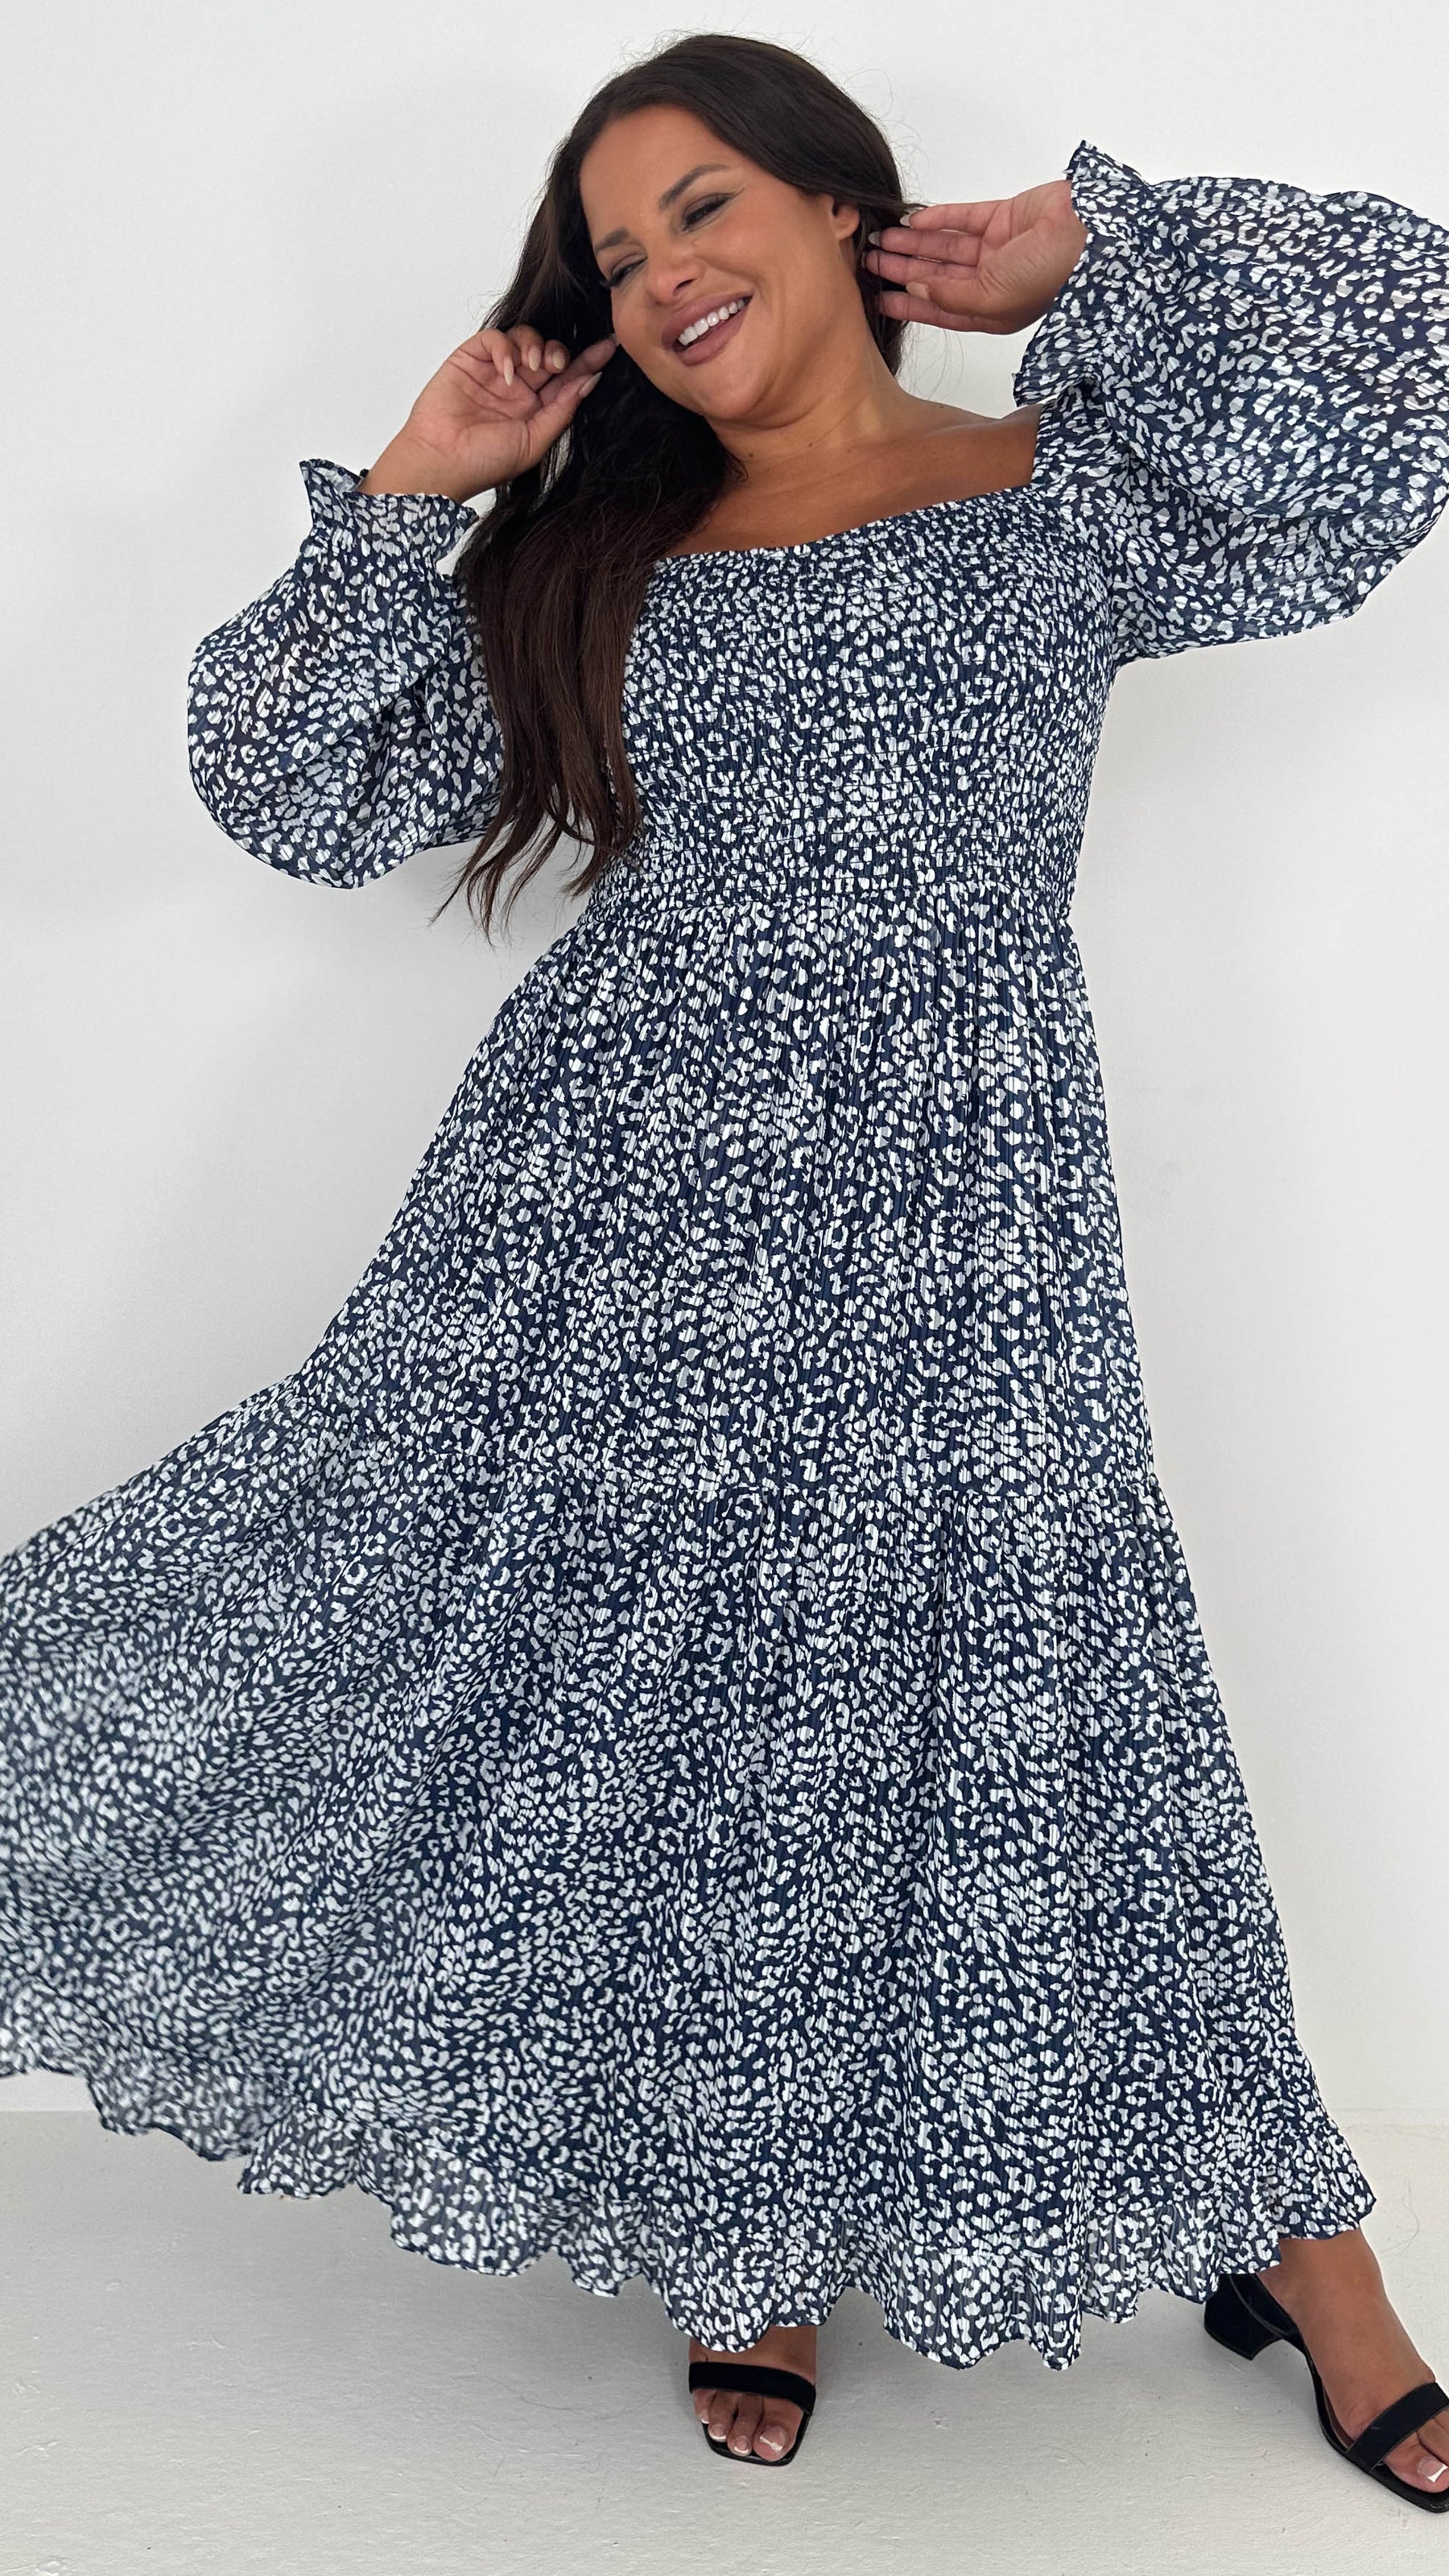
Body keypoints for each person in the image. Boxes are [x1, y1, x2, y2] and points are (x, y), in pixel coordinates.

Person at [2, 28, 1447, 2503]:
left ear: (835, 206)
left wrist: (1093, 243)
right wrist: (417, 486)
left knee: (1063, 1699)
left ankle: (1313, 2263)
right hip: (604, 1225)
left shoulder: (1072, 484)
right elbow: (287, 792)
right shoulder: (594, 561)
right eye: (614, 251)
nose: (663, 271)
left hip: (964, 1211)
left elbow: (1409, 349)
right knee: (677, 1719)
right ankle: (741, 2231)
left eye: (700, 206)